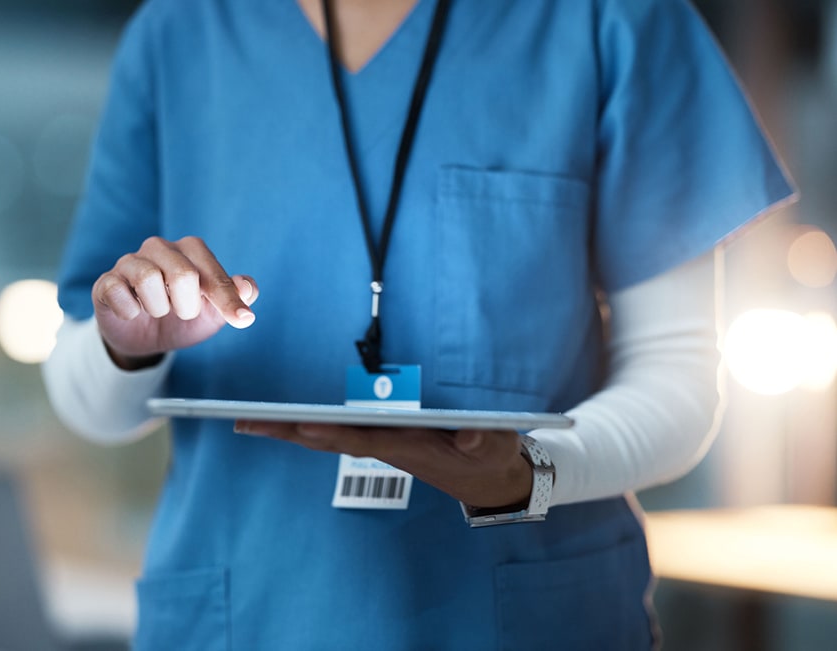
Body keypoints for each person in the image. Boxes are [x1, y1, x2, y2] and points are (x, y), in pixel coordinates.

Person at [43, 0, 795, 648]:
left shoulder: (609, 19)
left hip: (521, 621)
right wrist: (127, 347)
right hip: (242, 616)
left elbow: (679, 373)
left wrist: (530, 470)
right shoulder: (181, 32)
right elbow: (87, 402)